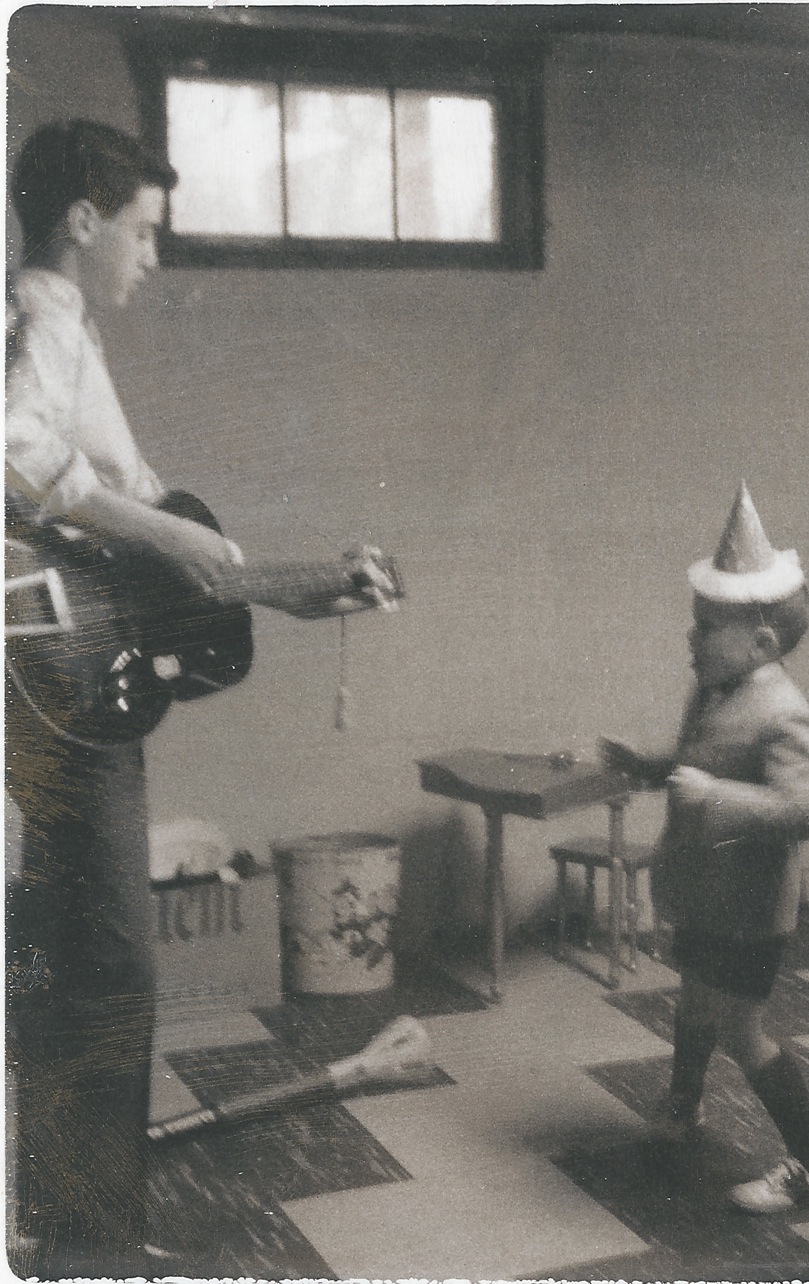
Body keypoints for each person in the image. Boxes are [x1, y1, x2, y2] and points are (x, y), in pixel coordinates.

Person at [5, 119, 391, 1277]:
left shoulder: (58, 329)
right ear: (84, 222)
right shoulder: (43, 322)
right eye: (142, 231)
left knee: (89, 955)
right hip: (57, 691)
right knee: (112, 960)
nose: (151, 257)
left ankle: (69, 1220)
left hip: (70, 680)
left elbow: (122, 567)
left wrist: (283, 591)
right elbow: (17, 455)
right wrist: (171, 525)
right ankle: (80, 1236)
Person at [599, 483, 809, 1214]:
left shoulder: (785, 713)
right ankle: (684, 1098)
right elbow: (689, 759)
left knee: (741, 1027)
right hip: (703, 891)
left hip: (748, 909)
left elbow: (802, 810)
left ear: (762, 643)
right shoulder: (711, 690)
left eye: (706, 626)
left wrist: (715, 798)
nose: (691, 637)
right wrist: (640, 763)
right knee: (694, 1004)